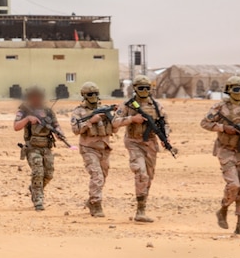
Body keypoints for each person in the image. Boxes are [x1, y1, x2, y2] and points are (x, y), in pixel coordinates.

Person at [200, 76, 240, 235]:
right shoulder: (219, 107)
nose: (239, 93)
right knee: (234, 185)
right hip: (226, 150)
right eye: (236, 89)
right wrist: (224, 128)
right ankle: (223, 208)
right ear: (229, 89)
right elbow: (205, 123)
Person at [119, 76, 168, 222]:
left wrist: (166, 138)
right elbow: (115, 122)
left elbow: (164, 123)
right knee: (141, 173)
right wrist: (132, 119)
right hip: (134, 142)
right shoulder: (128, 105)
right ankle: (140, 212)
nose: (145, 91)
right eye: (141, 88)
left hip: (151, 143)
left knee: (149, 177)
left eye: (147, 88)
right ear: (135, 89)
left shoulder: (156, 105)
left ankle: (143, 206)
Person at [70, 82, 122, 217]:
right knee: (97, 176)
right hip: (88, 148)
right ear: (84, 95)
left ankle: (91, 200)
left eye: (95, 94)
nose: (93, 96)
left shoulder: (105, 109)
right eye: (90, 94)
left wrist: (115, 116)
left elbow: (115, 127)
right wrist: (91, 121)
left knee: (103, 177)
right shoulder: (78, 111)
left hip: (104, 147)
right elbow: (75, 130)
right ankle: (96, 204)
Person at [13, 86, 60, 211]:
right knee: (38, 172)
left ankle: (34, 188)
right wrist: (28, 119)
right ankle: (38, 200)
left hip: (47, 147)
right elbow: (16, 126)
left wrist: (59, 134)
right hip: (32, 147)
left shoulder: (48, 112)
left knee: (48, 174)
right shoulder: (24, 110)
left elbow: (56, 126)